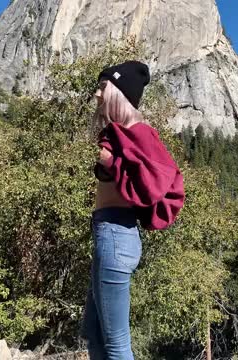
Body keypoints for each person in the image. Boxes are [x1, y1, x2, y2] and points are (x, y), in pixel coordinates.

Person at [81, 61, 185, 360]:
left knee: (116, 345)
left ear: (117, 91)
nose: (97, 95)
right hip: (109, 234)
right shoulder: (117, 133)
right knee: (93, 332)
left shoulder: (139, 132)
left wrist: (110, 162)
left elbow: (157, 180)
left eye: (102, 88)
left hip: (117, 234)